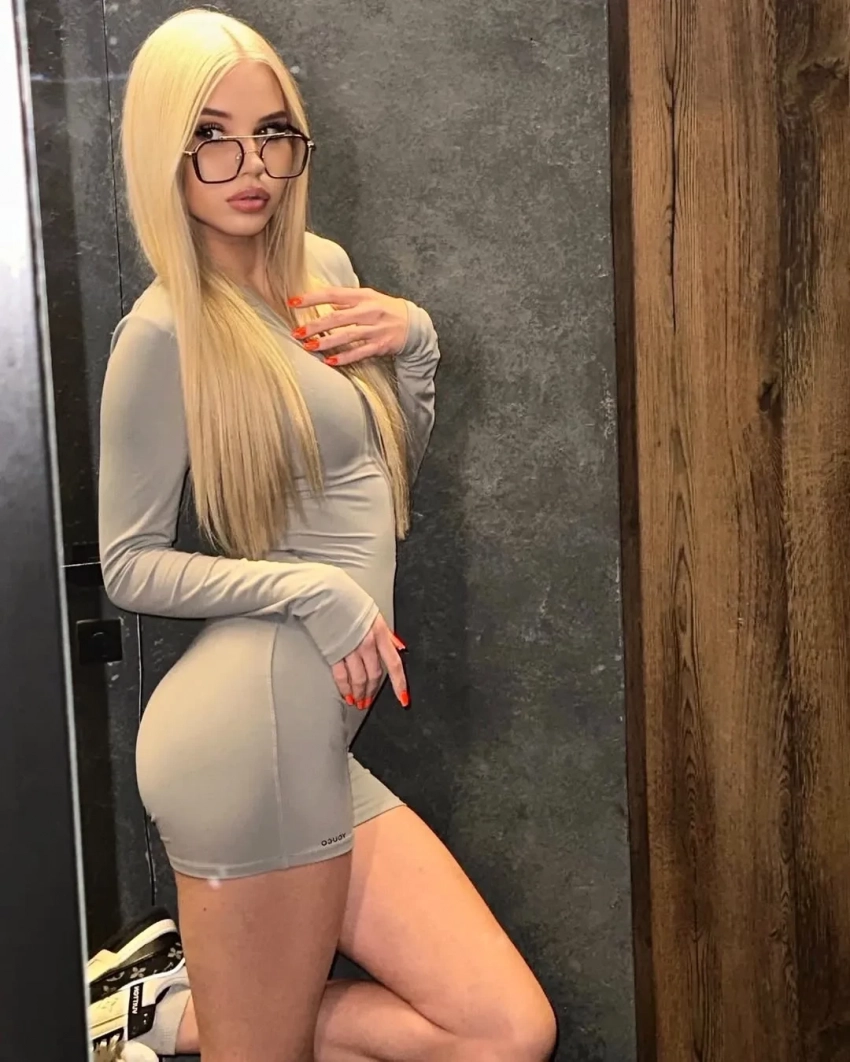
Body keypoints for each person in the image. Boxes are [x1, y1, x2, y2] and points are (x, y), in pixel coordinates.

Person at [96, 8, 557, 1061]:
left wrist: (417, 348)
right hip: (244, 735)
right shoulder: (163, 331)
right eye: (211, 137)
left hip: (314, 735)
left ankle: (163, 1012)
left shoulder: (323, 270)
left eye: (272, 134)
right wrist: (312, 589)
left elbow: (379, 487)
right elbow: (128, 564)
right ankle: (182, 1015)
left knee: (502, 1032)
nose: (250, 166)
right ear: (163, 149)